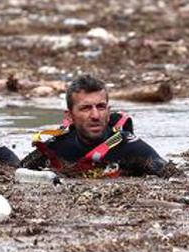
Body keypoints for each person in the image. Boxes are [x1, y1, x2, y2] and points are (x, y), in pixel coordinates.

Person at [20, 74, 173, 178]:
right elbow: (18, 171)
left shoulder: (131, 147)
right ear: (69, 116)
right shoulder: (56, 147)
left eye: (100, 107)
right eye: (85, 108)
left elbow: (174, 176)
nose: (95, 116)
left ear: (108, 111)